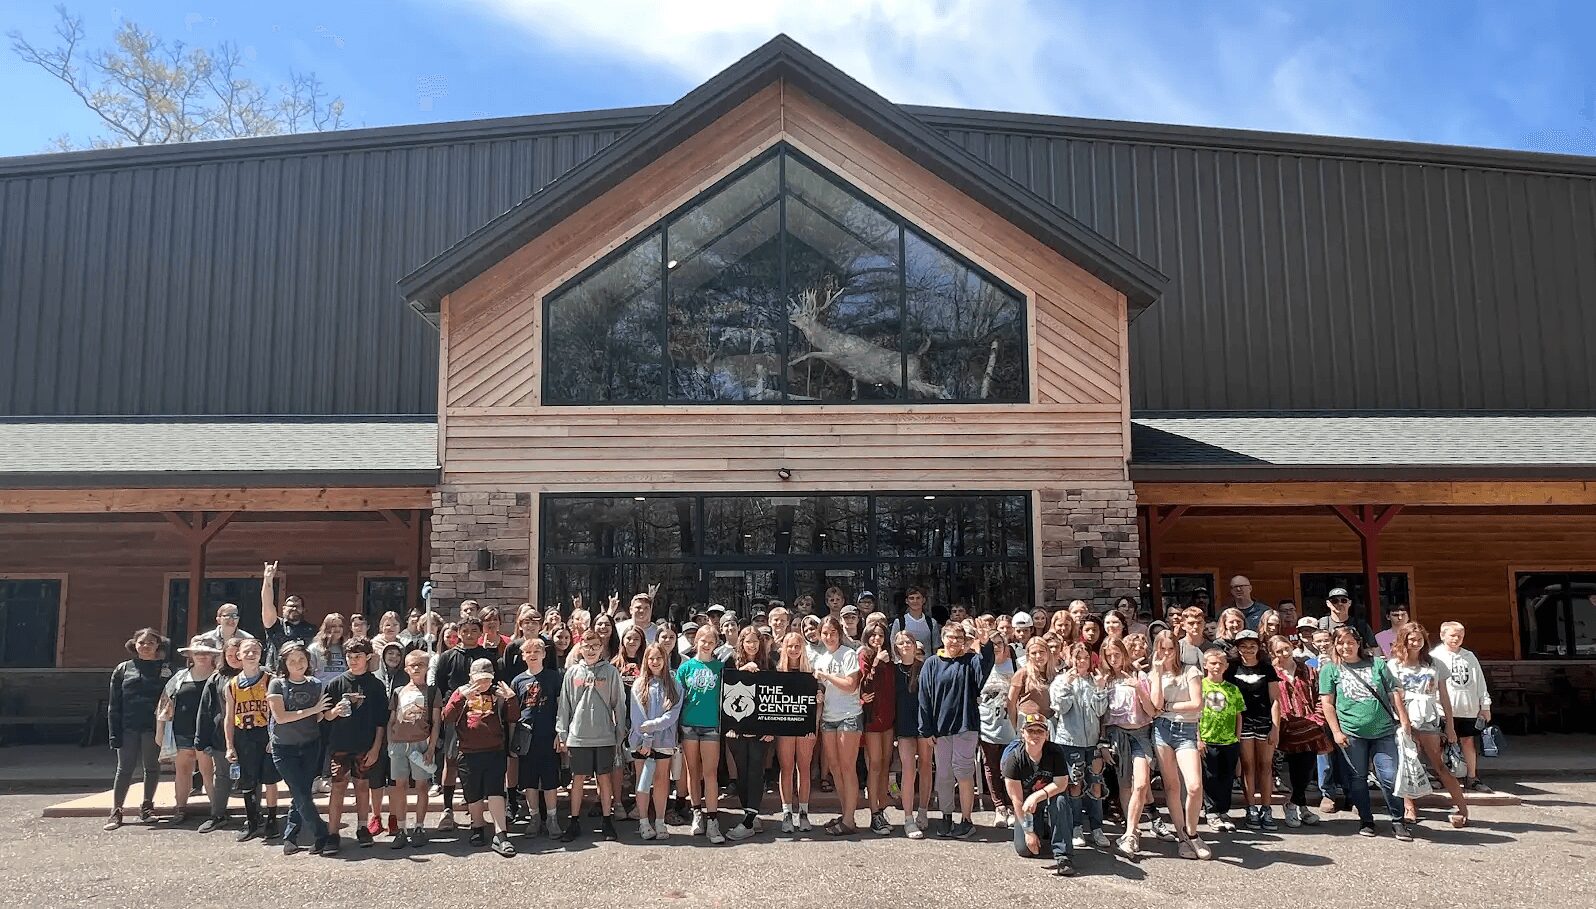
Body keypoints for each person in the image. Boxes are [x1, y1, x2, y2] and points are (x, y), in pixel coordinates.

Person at [1319, 627, 1412, 840]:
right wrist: (1335, 731)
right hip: (1352, 732)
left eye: (1350, 642)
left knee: (1388, 776)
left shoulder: (1377, 664)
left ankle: (1398, 821)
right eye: (1341, 643)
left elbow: (1393, 693)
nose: (1346, 647)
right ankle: (1366, 820)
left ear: (1359, 643)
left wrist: (1404, 721)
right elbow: (1328, 703)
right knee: (1357, 778)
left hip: (1383, 731)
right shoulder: (1330, 669)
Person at [1392, 623, 1470, 828]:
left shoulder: (1434, 664)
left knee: (1440, 765)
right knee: (1407, 764)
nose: (1415, 643)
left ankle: (1462, 808)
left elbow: (1444, 697)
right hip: (1404, 718)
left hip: (1428, 718)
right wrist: (1404, 720)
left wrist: (1450, 726)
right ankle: (1410, 807)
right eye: (1411, 639)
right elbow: (1395, 695)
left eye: (1419, 639)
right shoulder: (1394, 665)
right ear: (1403, 640)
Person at [442, 658, 518, 856]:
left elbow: (513, 717)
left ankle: (501, 834)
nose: (483, 683)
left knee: (496, 793)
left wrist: (511, 698)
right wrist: (460, 697)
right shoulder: (462, 692)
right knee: (473, 794)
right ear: (471, 677)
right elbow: (447, 716)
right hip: (468, 753)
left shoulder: (498, 694)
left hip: (494, 751)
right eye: (479, 679)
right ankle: (477, 827)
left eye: (487, 679)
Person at [319, 637, 388, 852]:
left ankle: (362, 827)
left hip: (365, 746)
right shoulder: (335, 683)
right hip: (340, 745)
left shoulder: (376, 685)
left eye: (358, 656)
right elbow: (324, 717)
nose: (353, 660)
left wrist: (376, 748)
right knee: (337, 788)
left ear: (367, 657)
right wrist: (333, 712)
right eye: (349, 656)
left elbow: (381, 721)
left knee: (362, 786)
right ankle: (332, 833)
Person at [431, 615, 500, 829]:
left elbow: (495, 684)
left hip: (481, 714)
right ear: (458, 633)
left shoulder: (487, 657)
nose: (469, 635)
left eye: (473, 631)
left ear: (481, 633)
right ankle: (447, 809)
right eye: (465, 631)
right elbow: (440, 686)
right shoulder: (447, 657)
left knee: (477, 762)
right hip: (456, 713)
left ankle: (475, 811)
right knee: (451, 760)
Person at [558, 630, 627, 842]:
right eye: (587, 646)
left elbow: (619, 704)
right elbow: (564, 705)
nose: (591, 650)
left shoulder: (611, 672)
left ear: (601, 647)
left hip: (604, 735)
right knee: (577, 779)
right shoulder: (572, 673)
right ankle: (574, 820)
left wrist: (620, 732)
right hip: (579, 735)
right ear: (580, 647)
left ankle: (607, 820)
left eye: (595, 646)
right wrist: (562, 733)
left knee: (604, 778)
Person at [919, 621, 985, 839]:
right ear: (943, 638)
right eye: (951, 637)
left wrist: (983, 644)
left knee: (963, 772)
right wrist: (926, 730)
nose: (955, 642)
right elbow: (924, 698)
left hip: (966, 725)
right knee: (945, 775)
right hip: (940, 728)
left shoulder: (971, 661)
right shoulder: (931, 663)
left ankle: (966, 819)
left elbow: (983, 671)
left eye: (959, 638)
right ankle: (946, 816)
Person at [1148, 630, 1211, 859]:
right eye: (1161, 649)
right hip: (1162, 730)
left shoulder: (1190, 670)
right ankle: (1182, 836)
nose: (1166, 653)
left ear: (1177, 649)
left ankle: (1193, 833)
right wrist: (1155, 673)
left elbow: (1196, 703)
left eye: (1170, 648)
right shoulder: (1154, 674)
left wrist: (1169, 707)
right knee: (1172, 787)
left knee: (1194, 785)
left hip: (1186, 730)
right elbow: (1155, 705)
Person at [266, 641, 332, 855]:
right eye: (292, 661)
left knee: (300, 792)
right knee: (301, 793)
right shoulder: (277, 684)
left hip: (311, 745)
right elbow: (281, 717)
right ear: (284, 663)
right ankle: (322, 833)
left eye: (302, 660)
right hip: (284, 748)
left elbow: (321, 715)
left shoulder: (315, 684)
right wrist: (313, 709)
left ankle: (290, 836)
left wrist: (333, 711)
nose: (298, 664)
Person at [1003, 704, 1079, 877]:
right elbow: (1017, 801)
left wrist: (1037, 796)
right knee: (1025, 850)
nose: (1035, 735)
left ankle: (1063, 856)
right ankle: (1041, 828)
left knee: (1060, 801)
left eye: (1040, 731)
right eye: (1031, 731)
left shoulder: (1055, 752)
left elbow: (1061, 783)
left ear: (1047, 734)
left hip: (1050, 797)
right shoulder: (1014, 759)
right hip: (1026, 807)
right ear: (1023, 733)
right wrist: (1028, 832)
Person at [105, 629, 171, 830]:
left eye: (151, 642)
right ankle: (117, 811)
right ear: (134, 645)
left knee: (151, 767)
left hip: (153, 727)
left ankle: (147, 807)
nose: (146, 646)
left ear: (157, 646)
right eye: (141, 642)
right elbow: (114, 703)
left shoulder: (166, 669)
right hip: (128, 726)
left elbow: (169, 699)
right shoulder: (123, 669)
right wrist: (113, 732)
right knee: (124, 768)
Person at [1051, 642, 1110, 849]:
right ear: (1070, 659)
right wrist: (1067, 685)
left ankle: (1097, 827)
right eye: (1077, 658)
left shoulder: (1095, 681)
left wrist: (1101, 688)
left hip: (1091, 742)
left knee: (1095, 783)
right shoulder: (1060, 680)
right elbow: (1061, 708)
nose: (1081, 662)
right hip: (1069, 741)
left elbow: (1101, 711)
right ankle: (1077, 826)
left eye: (1084, 657)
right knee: (1074, 784)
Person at [1102, 636, 1156, 858]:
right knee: (1125, 785)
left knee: (1141, 784)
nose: (1114, 659)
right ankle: (1130, 831)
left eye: (1117, 654)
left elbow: (1152, 711)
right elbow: (1101, 716)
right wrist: (1103, 743)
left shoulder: (1138, 675)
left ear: (1124, 653)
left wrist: (1139, 688)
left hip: (1140, 734)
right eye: (1109, 655)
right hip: (1117, 734)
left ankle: (1131, 832)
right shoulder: (1105, 680)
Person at [156, 636, 220, 825]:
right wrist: (160, 730)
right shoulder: (180, 677)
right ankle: (180, 808)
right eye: (198, 652)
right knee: (182, 771)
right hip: (182, 731)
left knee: (209, 773)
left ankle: (217, 811)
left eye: (207, 652)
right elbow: (164, 704)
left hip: (209, 733)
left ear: (213, 655)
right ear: (191, 654)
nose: (202, 656)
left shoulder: (218, 677)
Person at [224, 638, 282, 843]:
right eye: (246, 651)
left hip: (265, 734)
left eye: (255, 651)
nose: (251, 654)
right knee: (248, 780)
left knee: (270, 780)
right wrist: (230, 745)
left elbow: (277, 712)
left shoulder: (270, 680)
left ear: (261, 654)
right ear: (238, 655)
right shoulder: (231, 685)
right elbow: (229, 718)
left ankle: (272, 819)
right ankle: (252, 820)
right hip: (244, 735)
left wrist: (274, 735)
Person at [811, 615, 864, 836]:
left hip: (849, 716)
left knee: (847, 767)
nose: (829, 637)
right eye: (825, 633)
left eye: (833, 633)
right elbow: (823, 688)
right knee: (834, 768)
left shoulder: (849, 654)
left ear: (839, 634)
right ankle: (845, 814)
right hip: (829, 717)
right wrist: (819, 695)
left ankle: (850, 820)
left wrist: (828, 677)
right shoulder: (821, 658)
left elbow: (851, 685)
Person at [674, 625, 725, 843]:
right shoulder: (686, 668)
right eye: (703, 640)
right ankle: (697, 812)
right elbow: (676, 699)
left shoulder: (720, 668)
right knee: (692, 771)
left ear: (715, 645)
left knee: (710, 773)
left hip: (711, 725)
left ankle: (713, 819)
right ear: (696, 641)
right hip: (689, 725)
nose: (706, 645)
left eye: (710, 642)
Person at [723, 626, 774, 840]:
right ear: (741, 643)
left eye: (756, 641)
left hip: (761, 730)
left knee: (756, 771)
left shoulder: (769, 664)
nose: (752, 645)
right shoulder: (729, 661)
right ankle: (750, 815)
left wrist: (772, 728)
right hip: (736, 727)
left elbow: (774, 697)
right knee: (742, 772)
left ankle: (749, 820)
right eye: (748, 641)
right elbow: (724, 688)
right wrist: (742, 671)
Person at [385, 648, 440, 847]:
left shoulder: (432, 691)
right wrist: (391, 742)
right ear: (406, 668)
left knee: (421, 786)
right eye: (412, 665)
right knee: (399, 786)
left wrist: (431, 748)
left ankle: (419, 826)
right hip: (399, 744)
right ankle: (401, 828)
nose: (416, 668)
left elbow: (436, 721)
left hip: (421, 743)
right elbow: (392, 719)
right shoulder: (399, 691)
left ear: (427, 667)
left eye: (421, 665)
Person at [628, 641, 683, 840]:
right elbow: (637, 716)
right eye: (651, 658)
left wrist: (654, 727)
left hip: (665, 740)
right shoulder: (639, 683)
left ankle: (659, 820)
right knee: (642, 781)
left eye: (659, 658)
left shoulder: (674, 684)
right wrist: (646, 738)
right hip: (641, 743)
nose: (655, 662)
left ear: (665, 659)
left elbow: (672, 714)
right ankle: (644, 821)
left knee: (661, 781)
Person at [511, 637, 564, 838]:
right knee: (529, 781)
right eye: (528, 652)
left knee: (550, 781)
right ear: (523, 656)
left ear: (544, 654)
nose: (532, 655)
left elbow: (561, 706)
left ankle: (551, 818)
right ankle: (534, 818)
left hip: (549, 735)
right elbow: (514, 713)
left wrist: (560, 732)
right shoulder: (518, 681)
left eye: (536, 652)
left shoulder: (554, 677)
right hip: (526, 738)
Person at [1269, 635, 1324, 827]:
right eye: (1278, 651)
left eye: (1286, 648)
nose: (1284, 653)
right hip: (1285, 725)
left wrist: (1317, 718)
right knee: (1292, 768)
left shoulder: (1308, 670)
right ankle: (1299, 806)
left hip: (1309, 725)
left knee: (1307, 769)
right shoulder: (1273, 673)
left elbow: (1319, 695)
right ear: (1272, 653)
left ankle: (1295, 804)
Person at [1228, 629, 1281, 830]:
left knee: (1266, 766)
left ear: (1259, 647)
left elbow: (1275, 700)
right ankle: (1251, 807)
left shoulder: (1267, 668)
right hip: (1242, 722)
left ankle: (1266, 808)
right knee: (1247, 765)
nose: (1248, 650)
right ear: (1238, 648)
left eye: (1252, 645)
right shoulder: (1232, 669)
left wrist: (1275, 727)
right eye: (1243, 645)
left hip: (1264, 721)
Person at [1431, 621, 1493, 792]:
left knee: (1468, 741)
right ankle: (1442, 776)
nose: (1456, 639)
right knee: (1442, 743)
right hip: (1443, 709)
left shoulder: (1469, 657)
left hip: (1468, 707)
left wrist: (1485, 705)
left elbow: (1479, 681)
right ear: (1443, 635)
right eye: (1452, 635)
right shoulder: (1434, 656)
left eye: (1460, 636)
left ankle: (1472, 777)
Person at [773, 630, 818, 833]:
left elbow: (818, 705)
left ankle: (804, 812)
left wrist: (813, 726)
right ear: (784, 648)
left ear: (803, 649)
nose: (793, 650)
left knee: (804, 768)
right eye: (789, 646)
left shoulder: (811, 673)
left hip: (805, 727)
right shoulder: (777, 672)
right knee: (786, 768)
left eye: (797, 646)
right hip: (784, 726)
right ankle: (786, 813)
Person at [195, 637, 242, 833]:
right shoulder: (216, 679)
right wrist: (201, 738)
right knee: (221, 777)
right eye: (229, 655)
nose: (232, 659)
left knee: (251, 778)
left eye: (236, 655)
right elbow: (204, 709)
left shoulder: (257, 676)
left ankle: (255, 815)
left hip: (249, 735)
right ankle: (218, 815)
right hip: (220, 736)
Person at [1198, 645, 1244, 835]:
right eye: (1213, 663)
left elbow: (1239, 715)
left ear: (1226, 666)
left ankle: (1224, 811)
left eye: (1220, 663)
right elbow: (1195, 715)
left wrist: (1237, 738)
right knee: (1210, 777)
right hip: (1208, 739)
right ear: (1205, 665)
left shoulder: (1233, 689)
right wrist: (1198, 739)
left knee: (1227, 777)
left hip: (1229, 741)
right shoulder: (1199, 686)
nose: (1217, 666)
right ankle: (1211, 812)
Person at [856, 622, 897, 836]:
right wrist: (877, 664)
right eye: (873, 635)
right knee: (874, 764)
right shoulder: (865, 655)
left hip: (888, 718)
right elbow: (865, 684)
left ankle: (881, 808)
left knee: (884, 764)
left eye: (881, 635)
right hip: (872, 718)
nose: (877, 639)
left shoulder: (890, 658)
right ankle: (873, 813)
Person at [976, 631, 1017, 829]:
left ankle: (1011, 805)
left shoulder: (1015, 665)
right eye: (992, 644)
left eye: (1000, 643)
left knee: (1009, 766)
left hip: (1010, 724)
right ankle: (999, 806)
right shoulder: (982, 666)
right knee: (991, 766)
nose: (996, 647)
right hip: (987, 723)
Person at [260, 562, 314, 669]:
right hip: (275, 674)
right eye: (290, 606)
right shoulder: (275, 625)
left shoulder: (312, 630)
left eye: (297, 606)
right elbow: (267, 604)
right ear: (283, 609)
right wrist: (268, 580)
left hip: (301, 677)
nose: (294, 608)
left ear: (303, 610)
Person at [1317, 588, 1377, 655]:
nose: (1340, 603)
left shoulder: (1361, 624)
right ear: (1328, 603)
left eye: (1343, 601)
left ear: (1349, 603)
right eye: (1334, 601)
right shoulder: (1322, 623)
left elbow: (1374, 648)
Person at [891, 587, 941, 659]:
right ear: (907, 601)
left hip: (926, 666)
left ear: (923, 600)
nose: (915, 601)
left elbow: (936, 648)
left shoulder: (932, 623)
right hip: (905, 666)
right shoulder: (899, 622)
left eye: (918, 598)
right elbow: (894, 646)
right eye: (911, 598)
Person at [308, 613, 349, 684]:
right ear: (326, 628)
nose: (337, 629)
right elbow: (309, 673)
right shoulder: (314, 648)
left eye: (340, 626)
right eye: (333, 626)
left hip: (343, 689)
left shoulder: (347, 647)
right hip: (322, 690)